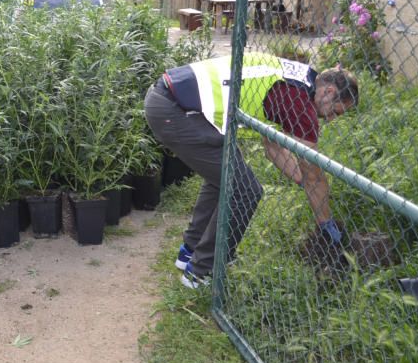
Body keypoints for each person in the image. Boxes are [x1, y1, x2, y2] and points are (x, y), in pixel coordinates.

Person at [143, 52, 358, 288]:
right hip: (176, 112)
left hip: (174, 102)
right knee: (246, 191)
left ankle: (190, 254)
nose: (331, 120)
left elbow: (273, 147)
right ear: (328, 92)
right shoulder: (300, 105)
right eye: (336, 112)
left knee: (224, 178)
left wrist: (303, 181)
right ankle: (203, 271)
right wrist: (326, 223)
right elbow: (313, 173)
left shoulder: (296, 81)